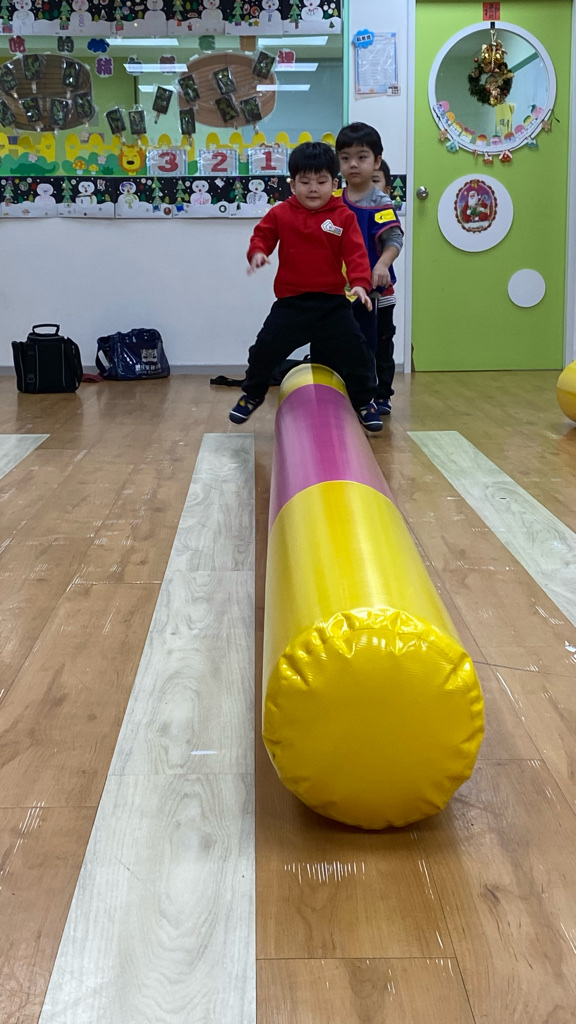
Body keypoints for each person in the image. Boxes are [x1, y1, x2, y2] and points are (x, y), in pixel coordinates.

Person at [229, 141, 382, 432]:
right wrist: (258, 252)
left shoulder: (343, 217)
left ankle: (364, 402)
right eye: (305, 182)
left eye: (321, 182)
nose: (313, 188)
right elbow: (262, 235)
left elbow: (356, 254)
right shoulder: (281, 213)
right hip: (291, 305)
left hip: (332, 305)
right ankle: (252, 394)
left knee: (358, 354)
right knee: (263, 351)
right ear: (292, 184)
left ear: (334, 184)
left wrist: (360, 284)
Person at [335, 122, 403, 416]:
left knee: (375, 345)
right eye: (345, 158)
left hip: (375, 292)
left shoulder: (380, 203)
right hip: (341, 290)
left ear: (376, 161)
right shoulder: (333, 200)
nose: (353, 164)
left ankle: (379, 394)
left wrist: (383, 263)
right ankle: (345, 392)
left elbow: (394, 240)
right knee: (343, 343)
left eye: (361, 157)